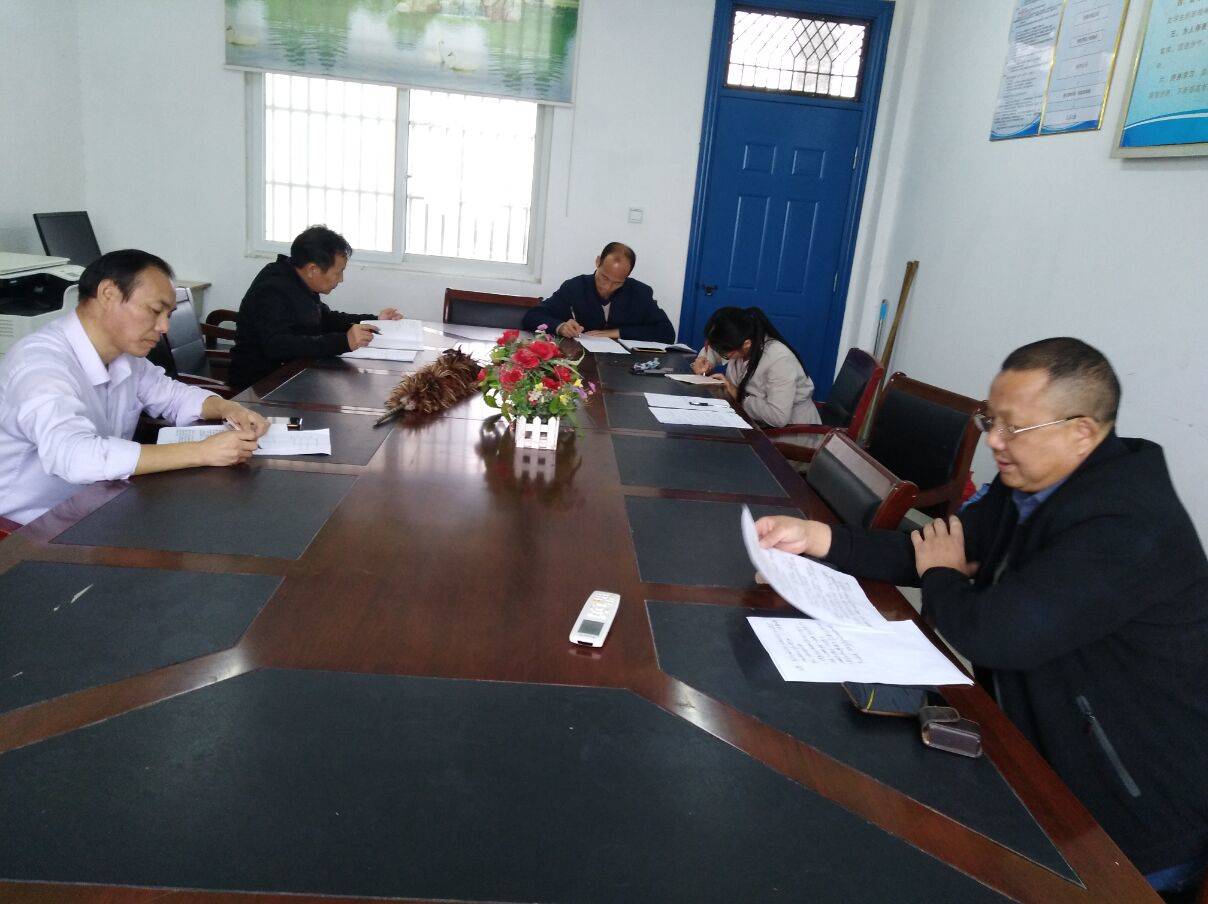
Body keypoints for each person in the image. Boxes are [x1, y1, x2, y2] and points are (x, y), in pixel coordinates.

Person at [755, 337, 1208, 893]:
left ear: (1081, 432)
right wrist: (818, 539)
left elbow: (992, 634)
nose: (993, 441)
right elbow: (934, 547)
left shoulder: (1127, 525)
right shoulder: (1034, 484)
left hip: (1125, 820)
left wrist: (942, 575)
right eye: (990, 420)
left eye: (1013, 427)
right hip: (1034, 760)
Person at [0, 249, 270, 526]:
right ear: (108, 294)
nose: (164, 327)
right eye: (155, 311)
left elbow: (173, 395)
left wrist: (227, 408)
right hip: (28, 528)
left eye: (168, 315)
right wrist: (201, 451)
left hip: (100, 503)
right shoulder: (40, 365)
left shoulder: (124, 357)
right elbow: (75, 456)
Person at [229, 225, 403, 390]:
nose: (341, 279)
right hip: (261, 386)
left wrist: (375, 321)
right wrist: (344, 341)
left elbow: (325, 319)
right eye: (338, 272)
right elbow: (277, 345)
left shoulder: (297, 280)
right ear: (312, 270)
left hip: (295, 374)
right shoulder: (272, 289)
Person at [690, 306, 820, 428]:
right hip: (749, 423)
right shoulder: (739, 342)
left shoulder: (779, 359)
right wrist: (703, 361)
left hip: (790, 433)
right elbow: (713, 352)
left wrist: (738, 396)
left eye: (724, 353)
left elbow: (778, 417)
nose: (720, 354)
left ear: (746, 344)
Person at [521, 242, 675, 343]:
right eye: (604, 278)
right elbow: (531, 317)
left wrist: (617, 333)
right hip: (581, 360)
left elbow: (667, 333)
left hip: (623, 367)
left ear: (628, 275)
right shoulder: (575, 287)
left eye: (617, 282)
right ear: (598, 262)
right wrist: (560, 326)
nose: (608, 287)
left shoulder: (640, 293)